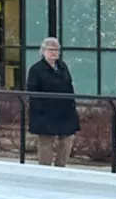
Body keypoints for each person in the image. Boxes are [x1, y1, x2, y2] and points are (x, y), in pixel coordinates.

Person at [25, 37, 80, 167]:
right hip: (46, 111)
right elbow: (32, 91)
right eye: (50, 50)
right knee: (46, 142)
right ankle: (45, 169)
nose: (53, 53)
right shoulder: (36, 69)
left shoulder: (62, 66)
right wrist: (41, 109)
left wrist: (72, 105)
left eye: (56, 50)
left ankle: (61, 167)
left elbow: (69, 85)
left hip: (65, 110)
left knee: (67, 140)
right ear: (43, 51)